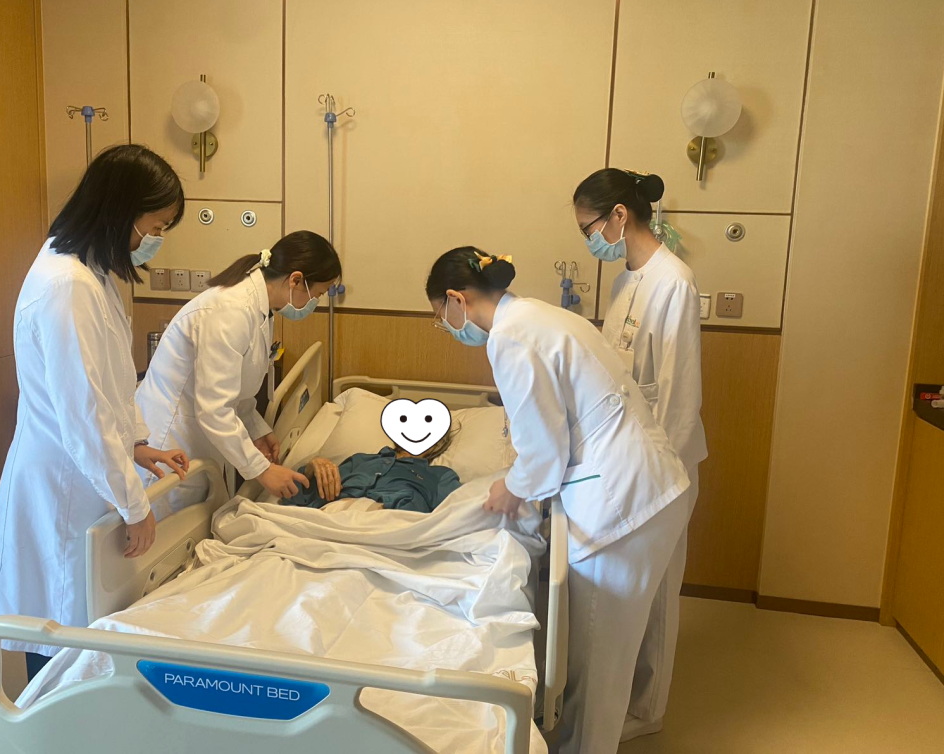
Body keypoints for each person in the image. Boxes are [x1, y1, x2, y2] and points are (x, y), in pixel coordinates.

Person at [425, 247, 692, 754]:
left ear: (456, 299)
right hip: (651, 484)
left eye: (443, 316)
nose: (449, 327)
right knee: (611, 653)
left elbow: (544, 453)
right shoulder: (539, 314)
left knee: (598, 661)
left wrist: (511, 489)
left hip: (622, 505)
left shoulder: (509, 337)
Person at [0, 144, 191, 682]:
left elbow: (111, 385)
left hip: (80, 473)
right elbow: (83, 414)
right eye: (156, 226)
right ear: (121, 210)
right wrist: (135, 506)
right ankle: (47, 717)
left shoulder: (90, 272)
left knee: (74, 617)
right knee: (58, 623)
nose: (156, 239)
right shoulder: (66, 285)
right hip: (61, 482)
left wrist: (138, 445)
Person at [574, 168, 706, 741]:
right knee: (634, 591)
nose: (589, 240)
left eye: (589, 229)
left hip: (663, 464)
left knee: (658, 593)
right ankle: (623, 695)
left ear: (619, 216)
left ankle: (648, 711)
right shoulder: (625, 281)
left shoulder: (674, 282)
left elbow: (679, 393)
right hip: (627, 455)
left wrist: (660, 477)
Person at [136, 231, 341, 506]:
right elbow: (214, 407)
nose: (315, 302)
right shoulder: (230, 311)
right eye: (317, 294)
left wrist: (257, 430)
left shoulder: (261, 309)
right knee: (163, 525)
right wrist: (263, 470)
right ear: (296, 280)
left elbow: (237, 391)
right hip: (170, 438)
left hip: (198, 439)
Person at [285, 430, 461, 512]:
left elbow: (459, 513)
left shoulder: (439, 476)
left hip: (387, 530)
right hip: (328, 523)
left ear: (436, 444)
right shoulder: (360, 460)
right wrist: (310, 469)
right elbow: (293, 495)